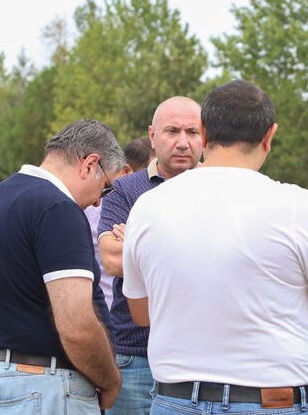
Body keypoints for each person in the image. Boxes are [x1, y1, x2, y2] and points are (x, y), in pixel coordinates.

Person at [122, 79, 308, 415]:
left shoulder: (148, 206)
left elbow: (141, 312)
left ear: (203, 132)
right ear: (269, 136)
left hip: (175, 399)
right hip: (273, 401)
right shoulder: (295, 206)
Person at [0, 119, 124, 413]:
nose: (98, 204)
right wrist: (111, 381)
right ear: (90, 165)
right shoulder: (58, 208)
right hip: (40, 384)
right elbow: (76, 325)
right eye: (105, 189)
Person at [97, 97, 203, 414]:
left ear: (206, 137)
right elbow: (112, 260)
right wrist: (195, 244)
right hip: (135, 355)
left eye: (192, 132)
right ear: (152, 136)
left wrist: (138, 241)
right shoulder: (124, 189)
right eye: (172, 131)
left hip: (202, 357)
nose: (183, 142)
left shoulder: (221, 189)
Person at [86, 136, 156, 308]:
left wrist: (134, 240)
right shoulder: (97, 206)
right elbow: (113, 261)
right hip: (113, 308)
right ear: (126, 171)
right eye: (151, 172)